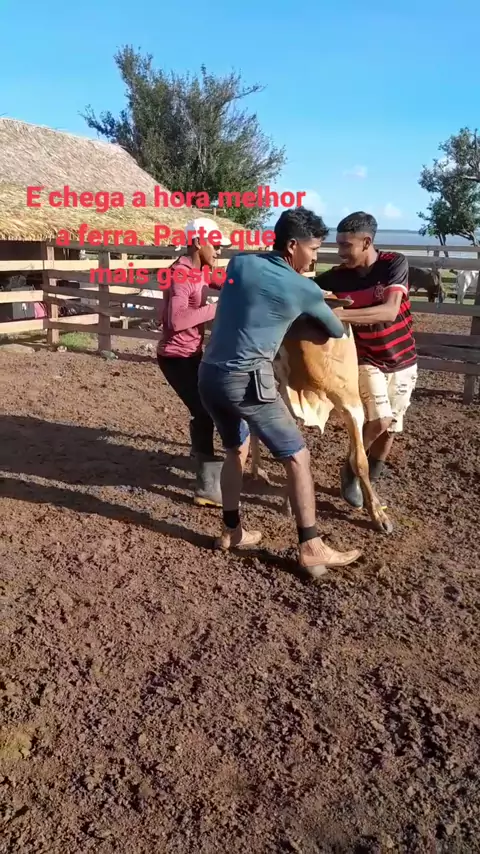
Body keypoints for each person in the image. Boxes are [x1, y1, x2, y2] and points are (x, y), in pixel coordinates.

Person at [198, 207, 362, 578]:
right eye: (313, 249)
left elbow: (253, 296)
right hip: (247, 382)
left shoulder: (240, 264)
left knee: (235, 450)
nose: (315, 257)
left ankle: (232, 531)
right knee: (298, 457)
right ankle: (311, 546)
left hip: (209, 375)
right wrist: (316, 301)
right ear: (292, 246)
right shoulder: (304, 288)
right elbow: (336, 330)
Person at [315, 211, 417, 508]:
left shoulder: (393, 264)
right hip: (366, 358)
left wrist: (339, 314)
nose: (341, 252)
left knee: (390, 430)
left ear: (367, 242)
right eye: (338, 244)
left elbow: (389, 311)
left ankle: (368, 477)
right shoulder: (336, 277)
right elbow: (303, 287)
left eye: (346, 245)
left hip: (404, 359)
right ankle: (352, 467)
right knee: (380, 419)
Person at [157, 216, 231, 507]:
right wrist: (216, 309)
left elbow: (225, 282)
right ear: (199, 242)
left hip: (191, 353)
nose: (220, 250)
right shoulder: (180, 275)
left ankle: (200, 459)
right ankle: (206, 486)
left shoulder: (199, 271)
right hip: (175, 357)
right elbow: (176, 321)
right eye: (216, 245)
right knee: (204, 411)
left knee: (205, 408)